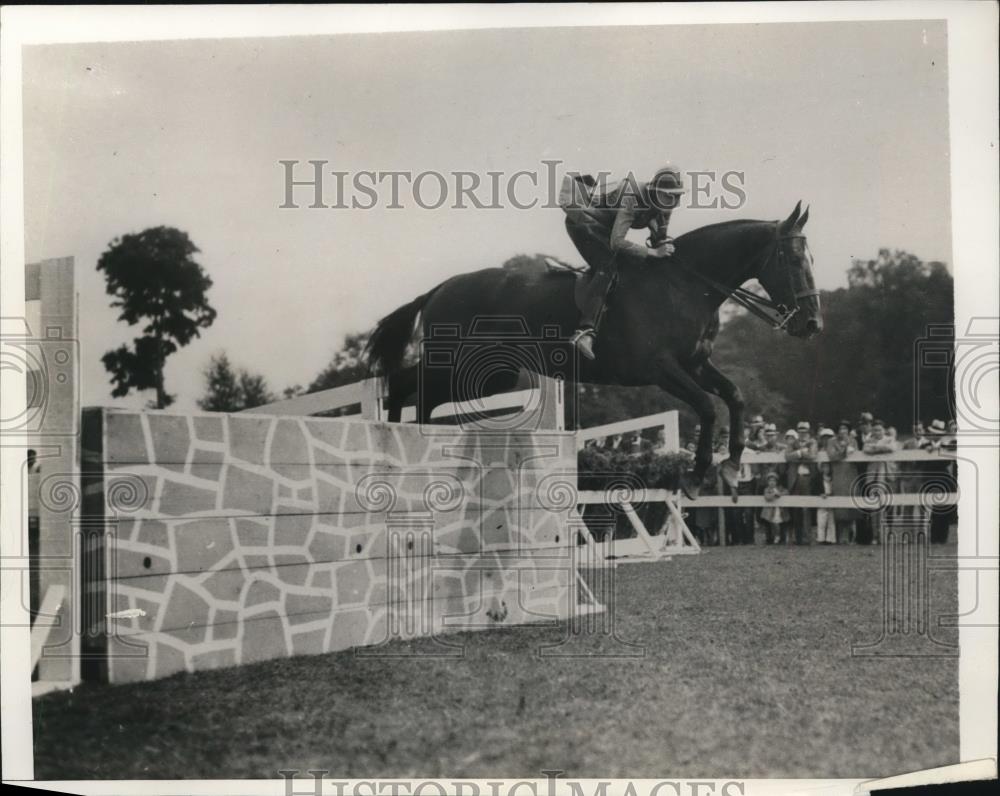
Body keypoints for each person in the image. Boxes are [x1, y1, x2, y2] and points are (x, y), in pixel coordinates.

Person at [559, 165, 686, 360]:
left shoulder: (665, 204)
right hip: (583, 223)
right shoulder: (632, 199)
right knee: (608, 268)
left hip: (606, 226)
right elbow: (617, 242)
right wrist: (653, 252)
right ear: (655, 192)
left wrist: (665, 247)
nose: (672, 202)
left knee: (640, 263)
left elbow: (660, 238)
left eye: (676, 196)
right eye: (668, 197)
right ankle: (584, 332)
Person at [862, 420, 898, 544]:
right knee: (873, 507)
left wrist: (877, 447)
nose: (877, 432)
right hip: (873, 476)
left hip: (887, 476)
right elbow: (866, 449)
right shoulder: (869, 441)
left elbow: (892, 448)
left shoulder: (889, 439)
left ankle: (886, 535)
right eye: (875, 430)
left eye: (879, 429)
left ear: (883, 430)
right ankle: (875, 536)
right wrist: (881, 448)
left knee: (887, 505)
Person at [784, 421, 819, 544]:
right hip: (795, 478)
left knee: (806, 508)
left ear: (808, 432)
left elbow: (813, 455)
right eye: (800, 431)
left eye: (805, 431)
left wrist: (802, 454)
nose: (803, 433)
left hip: (807, 477)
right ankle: (798, 538)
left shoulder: (813, 442)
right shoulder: (794, 443)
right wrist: (800, 452)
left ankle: (806, 537)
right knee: (795, 508)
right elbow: (787, 456)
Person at [826, 421, 859, 543]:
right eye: (840, 428)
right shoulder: (831, 442)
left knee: (851, 504)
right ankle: (840, 536)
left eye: (845, 428)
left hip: (851, 473)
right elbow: (832, 456)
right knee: (839, 505)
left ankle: (851, 535)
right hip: (838, 474)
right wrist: (844, 451)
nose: (842, 431)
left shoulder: (853, 441)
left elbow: (857, 455)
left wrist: (849, 450)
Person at [815, 428, 838, 544]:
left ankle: (831, 538)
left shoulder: (833, 449)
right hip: (822, 483)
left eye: (828, 438)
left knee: (831, 518)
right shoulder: (820, 450)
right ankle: (820, 537)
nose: (826, 440)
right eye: (824, 438)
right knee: (821, 516)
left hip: (831, 480)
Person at [760, 471, 789, 544]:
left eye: (774, 480)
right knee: (770, 524)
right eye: (770, 481)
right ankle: (769, 539)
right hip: (770, 511)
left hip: (779, 510)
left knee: (781, 524)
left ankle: (782, 538)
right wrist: (773, 494)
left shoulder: (780, 488)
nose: (772, 482)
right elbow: (767, 497)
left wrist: (780, 494)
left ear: (777, 481)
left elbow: (787, 492)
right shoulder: (767, 489)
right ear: (767, 482)